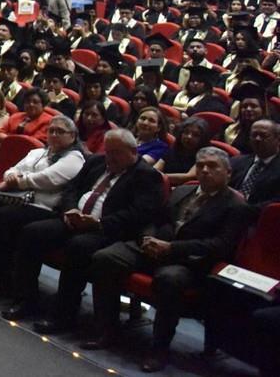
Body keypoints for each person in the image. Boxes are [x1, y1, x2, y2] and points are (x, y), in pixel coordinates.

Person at [85, 147, 250, 372]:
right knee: (106, 258)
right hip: (154, 247)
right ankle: (107, 329)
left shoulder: (235, 205)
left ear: (228, 173)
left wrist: (171, 248)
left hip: (189, 261)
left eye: (212, 167)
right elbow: (155, 218)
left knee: (169, 279)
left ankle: (158, 349)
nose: (204, 171)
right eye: (200, 166)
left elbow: (220, 245)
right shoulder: (183, 190)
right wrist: (147, 238)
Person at [2, 129, 163, 329]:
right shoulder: (97, 162)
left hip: (108, 231)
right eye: (108, 151)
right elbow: (72, 189)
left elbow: (138, 215)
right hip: (75, 219)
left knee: (78, 246)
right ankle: (25, 299)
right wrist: (70, 210)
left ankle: (63, 315)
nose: (110, 157)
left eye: (116, 152)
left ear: (133, 152)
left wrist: (97, 223)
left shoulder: (147, 176)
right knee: (33, 232)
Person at [0, 116, 85, 295]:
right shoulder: (39, 152)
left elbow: (48, 179)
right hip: (17, 197)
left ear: (72, 136)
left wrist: (18, 182)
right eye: (51, 130)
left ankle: (0, 276)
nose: (54, 134)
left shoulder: (75, 158)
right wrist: (12, 178)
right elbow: (13, 170)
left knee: (1, 218)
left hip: (44, 207)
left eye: (60, 131)